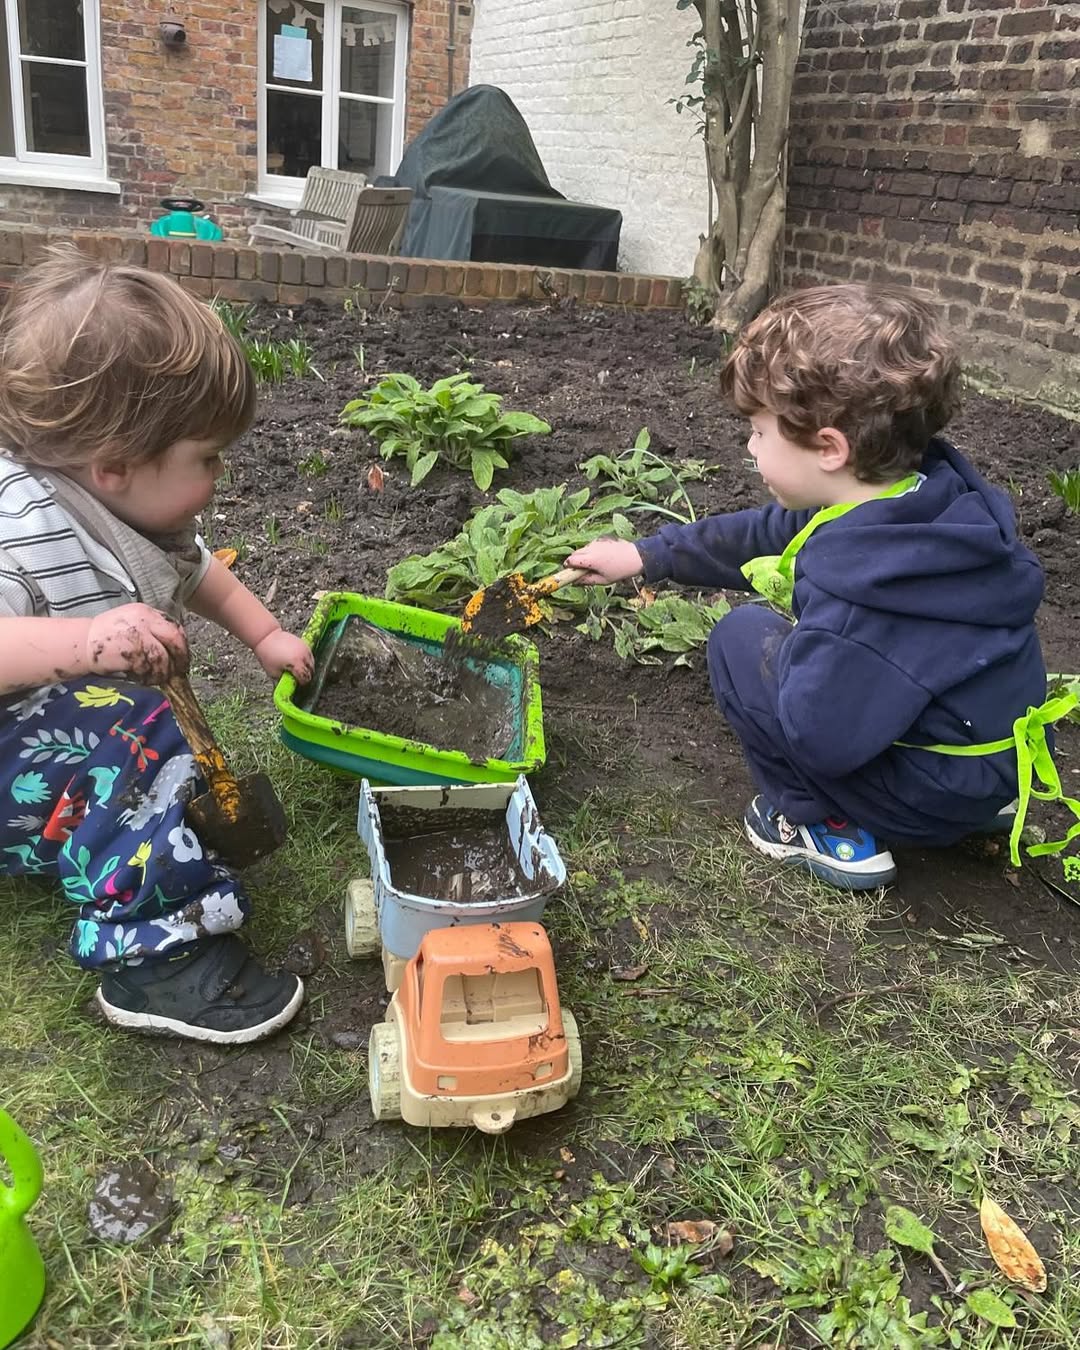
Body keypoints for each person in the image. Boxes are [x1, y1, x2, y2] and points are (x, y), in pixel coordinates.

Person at [568, 283, 1078, 891]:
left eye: (759, 431)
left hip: (925, 799)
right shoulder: (931, 503)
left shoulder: (861, 594)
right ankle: (962, 806)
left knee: (742, 637)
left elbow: (821, 738)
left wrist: (802, 649)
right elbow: (765, 532)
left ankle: (818, 823)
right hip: (994, 772)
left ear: (830, 448)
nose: (749, 445)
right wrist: (644, 555)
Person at [0, 247, 315, 1041]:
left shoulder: (131, 511)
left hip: (43, 764)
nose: (219, 476)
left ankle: (113, 838)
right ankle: (149, 959)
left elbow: (198, 572)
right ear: (114, 467)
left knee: (134, 728)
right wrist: (85, 641)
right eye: (207, 459)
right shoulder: (25, 531)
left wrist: (266, 634)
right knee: (135, 730)